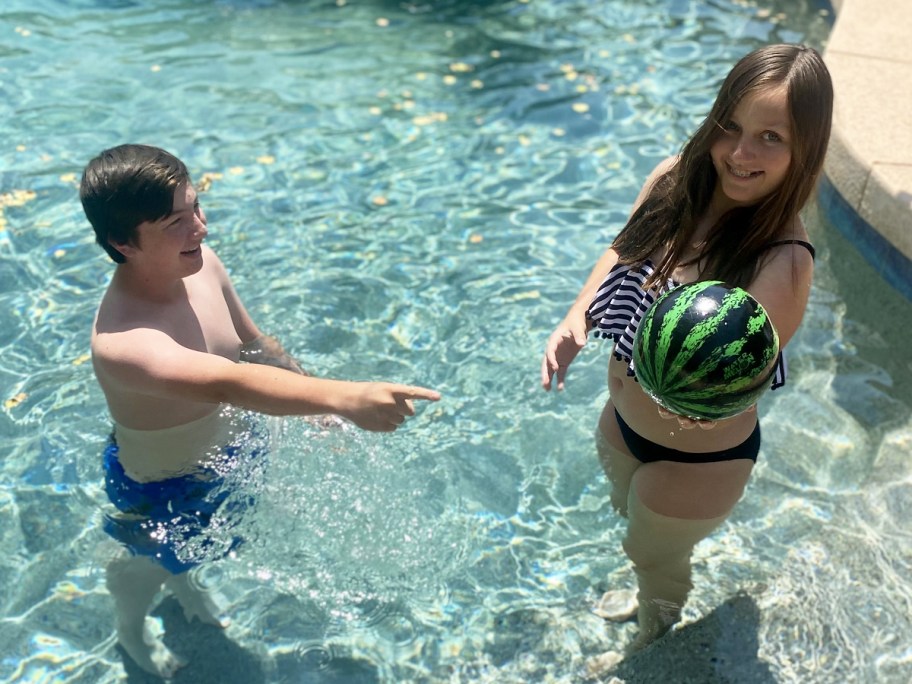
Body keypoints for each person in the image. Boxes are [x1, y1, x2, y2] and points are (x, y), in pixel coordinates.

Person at [81, 144, 441, 677]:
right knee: (145, 564)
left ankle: (185, 587)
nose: (200, 228)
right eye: (177, 222)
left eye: (197, 208)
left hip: (229, 452)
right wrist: (343, 396)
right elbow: (229, 381)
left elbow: (252, 346)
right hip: (162, 487)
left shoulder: (201, 266)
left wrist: (309, 392)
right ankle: (129, 630)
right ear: (122, 242)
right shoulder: (125, 341)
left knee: (199, 553)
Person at [541, 44, 833, 652]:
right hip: (622, 420)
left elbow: (738, 376)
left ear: (805, 151)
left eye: (771, 138)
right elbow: (625, 248)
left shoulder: (780, 261)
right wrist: (578, 314)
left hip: (696, 462)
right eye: (732, 126)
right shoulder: (675, 179)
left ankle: (654, 639)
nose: (741, 153)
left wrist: (701, 399)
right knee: (628, 520)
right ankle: (651, 598)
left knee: (652, 559)